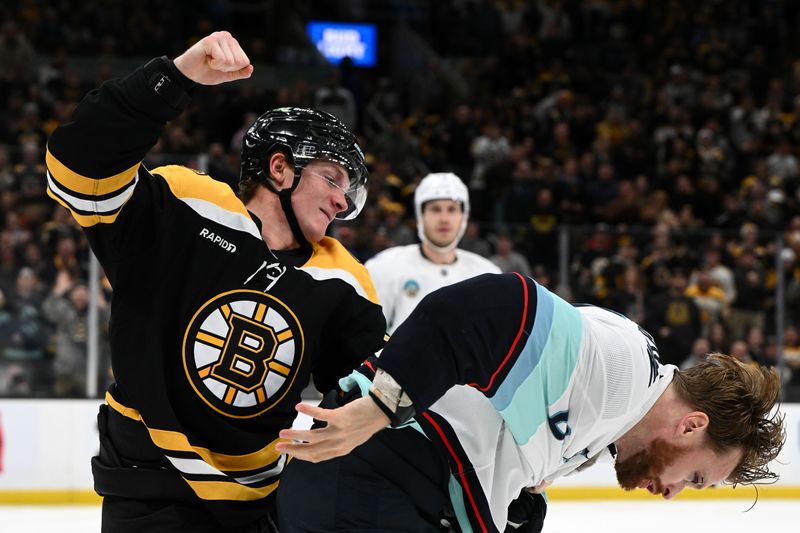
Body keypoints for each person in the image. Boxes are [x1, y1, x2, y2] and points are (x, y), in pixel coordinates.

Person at [45, 31, 387, 532]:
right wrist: (175, 77)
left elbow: (385, 385)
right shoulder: (186, 206)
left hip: (264, 509)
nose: (342, 202)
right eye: (333, 178)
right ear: (279, 167)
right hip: (148, 491)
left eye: (348, 192)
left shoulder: (343, 280)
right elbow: (75, 168)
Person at [276, 273, 785, 533]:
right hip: (373, 474)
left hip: (385, 486)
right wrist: (381, 405)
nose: (674, 493)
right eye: (695, 478)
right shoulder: (622, 367)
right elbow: (493, 304)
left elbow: (493, 439)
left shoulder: (616, 414)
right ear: (692, 425)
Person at [366, 172, 500, 333]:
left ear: (464, 217)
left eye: (452, 209)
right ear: (420, 215)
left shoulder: (487, 274)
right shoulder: (384, 266)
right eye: (435, 209)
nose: (444, 218)